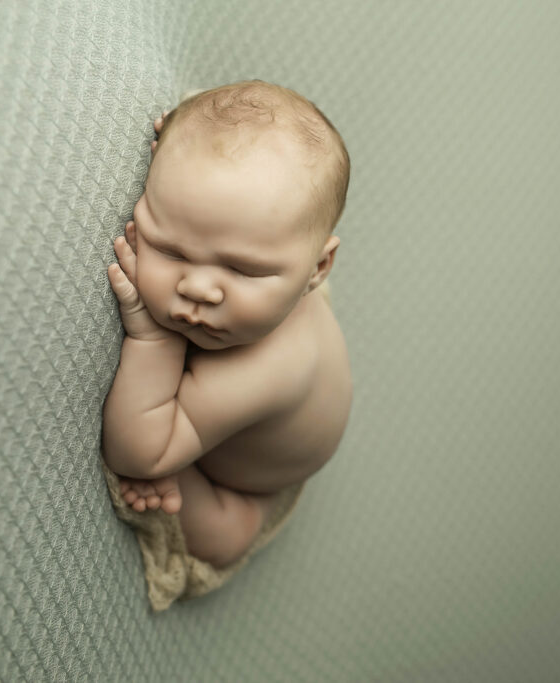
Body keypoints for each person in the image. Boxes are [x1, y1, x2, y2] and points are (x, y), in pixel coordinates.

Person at [102, 80, 353, 571]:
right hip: (253, 365)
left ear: (317, 269)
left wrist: (153, 339)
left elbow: (136, 454)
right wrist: (185, 133)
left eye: (242, 271)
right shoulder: (247, 251)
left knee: (219, 537)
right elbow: (220, 137)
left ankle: (241, 512)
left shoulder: (267, 367)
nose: (197, 289)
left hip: (250, 478)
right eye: (170, 250)